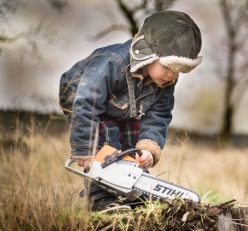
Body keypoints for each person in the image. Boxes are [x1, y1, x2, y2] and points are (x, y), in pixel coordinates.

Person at [59, 10, 202, 211]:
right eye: (167, 66)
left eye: (178, 70)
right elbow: (87, 101)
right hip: (81, 96)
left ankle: (132, 188)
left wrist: (148, 148)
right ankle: (100, 199)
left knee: (130, 148)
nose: (172, 75)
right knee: (107, 141)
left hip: (121, 107)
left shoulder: (166, 82)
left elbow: (159, 115)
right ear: (147, 53)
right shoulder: (113, 62)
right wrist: (85, 146)